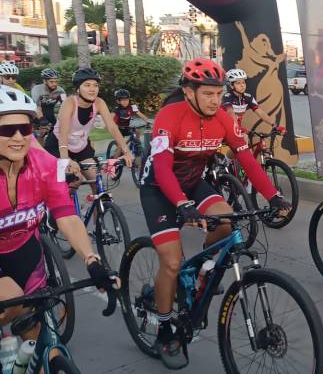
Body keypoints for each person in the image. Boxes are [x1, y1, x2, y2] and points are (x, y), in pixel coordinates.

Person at [139, 58, 291, 369]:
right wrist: (181, 204)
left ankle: (204, 271)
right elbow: (163, 169)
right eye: (207, 93)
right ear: (189, 92)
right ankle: (166, 328)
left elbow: (247, 159)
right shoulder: (170, 116)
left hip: (194, 183)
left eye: (217, 93)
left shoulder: (222, 118)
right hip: (159, 188)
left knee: (224, 218)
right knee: (171, 261)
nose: (214, 100)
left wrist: (273, 195)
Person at [0, 88, 118, 355]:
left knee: (41, 342)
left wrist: (91, 259)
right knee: (11, 300)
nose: (18, 137)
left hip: (24, 250)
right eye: (7, 131)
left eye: (24, 128)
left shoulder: (43, 164)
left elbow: (65, 213)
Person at [43, 68, 133, 192]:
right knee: (76, 179)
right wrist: (65, 159)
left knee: (96, 182)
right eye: (87, 85)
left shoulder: (99, 103)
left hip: (81, 146)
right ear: (78, 88)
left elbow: (112, 127)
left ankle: (98, 209)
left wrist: (126, 150)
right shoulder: (69, 103)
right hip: (59, 145)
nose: (92, 89)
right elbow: (63, 132)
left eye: (95, 85)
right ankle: (65, 207)